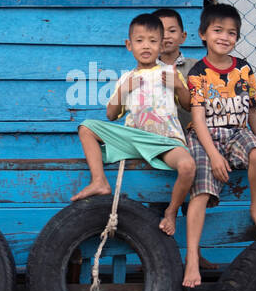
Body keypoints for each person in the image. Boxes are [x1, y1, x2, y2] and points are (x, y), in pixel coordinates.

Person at [183, 3, 256, 288]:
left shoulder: (243, 69)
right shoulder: (198, 73)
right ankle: (192, 257)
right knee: (201, 191)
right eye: (218, 31)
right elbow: (198, 119)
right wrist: (214, 155)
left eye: (232, 33)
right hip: (206, 137)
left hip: (237, 133)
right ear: (203, 34)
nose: (225, 37)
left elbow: (252, 112)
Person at [71, 12, 196, 236]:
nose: (146, 46)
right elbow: (110, 115)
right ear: (129, 45)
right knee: (86, 127)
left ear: (161, 46)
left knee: (187, 167)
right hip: (135, 139)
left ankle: (171, 211)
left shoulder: (170, 72)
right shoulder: (126, 78)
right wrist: (123, 90)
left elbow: (188, 105)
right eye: (139, 41)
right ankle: (99, 181)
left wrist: (178, 86)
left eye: (152, 41)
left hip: (166, 140)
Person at [151, 7, 193, 133]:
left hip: (190, 136)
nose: (166, 36)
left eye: (172, 31)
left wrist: (178, 86)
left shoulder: (196, 67)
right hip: (157, 137)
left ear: (183, 36)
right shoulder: (146, 70)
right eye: (161, 32)